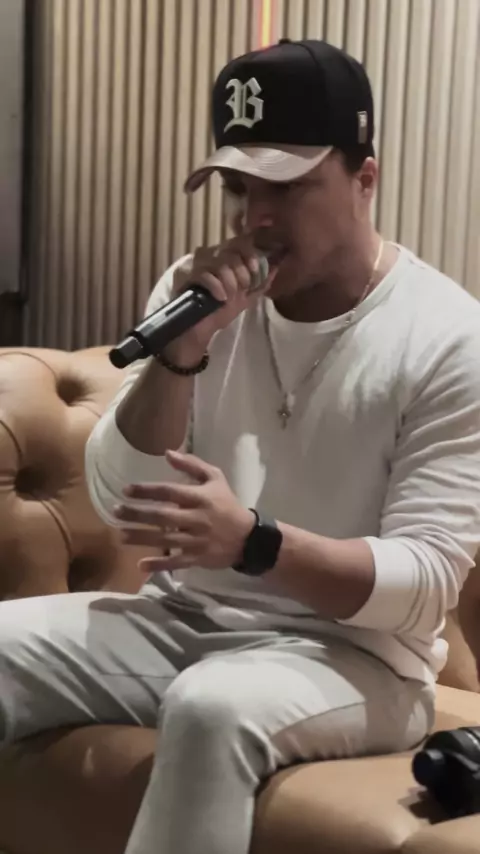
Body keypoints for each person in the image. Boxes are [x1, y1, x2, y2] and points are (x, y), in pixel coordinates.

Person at [2, 38, 480, 854]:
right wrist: (181, 356)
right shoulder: (192, 295)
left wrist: (255, 542)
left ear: (365, 178)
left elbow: (425, 583)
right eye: (238, 186)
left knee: (213, 705)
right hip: (184, 619)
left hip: (361, 659)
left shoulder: (448, 336)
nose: (254, 217)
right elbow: (121, 504)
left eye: (286, 187)